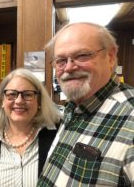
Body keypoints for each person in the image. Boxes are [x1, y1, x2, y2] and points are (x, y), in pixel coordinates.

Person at [37, 22, 134, 186]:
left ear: (110, 57)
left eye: (82, 55)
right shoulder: (72, 110)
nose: (68, 68)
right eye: (60, 60)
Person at [0, 68, 61, 187]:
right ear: (2, 101)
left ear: (39, 101)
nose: (18, 101)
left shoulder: (57, 135)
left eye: (28, 94)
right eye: (11, 94)